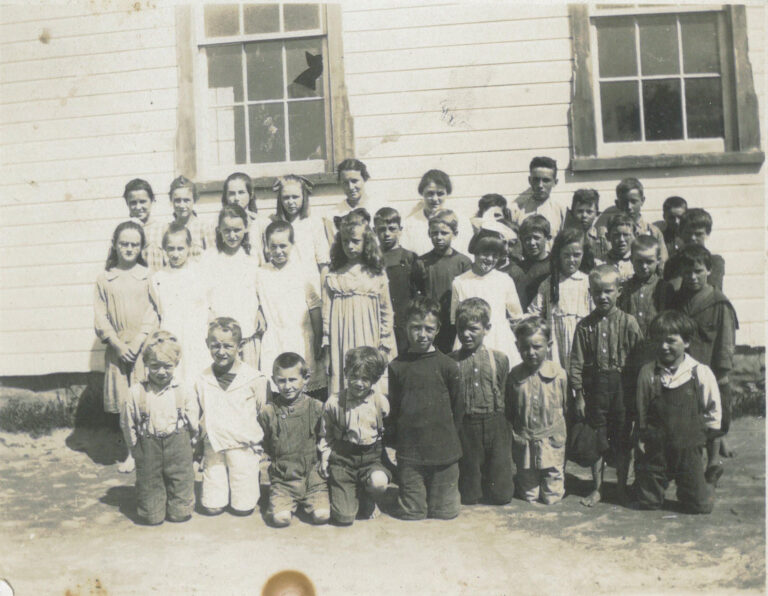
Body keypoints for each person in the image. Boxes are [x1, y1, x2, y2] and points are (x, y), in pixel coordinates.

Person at [570, 265, 643, 507]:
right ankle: (598, 488)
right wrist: (579, 396)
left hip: (622, 388)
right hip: (596, 389)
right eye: (597, 292)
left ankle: (621, 487)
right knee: (597, 438)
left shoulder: (629, 323)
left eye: (608, 291)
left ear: (619, 291)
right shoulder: (584, 326)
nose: (602, 296)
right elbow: (576, 363)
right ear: (590, 293)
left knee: (622, 438)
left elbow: (640, 360)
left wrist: (636, 396)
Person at [634, 311, 720, 514]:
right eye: (659, 340)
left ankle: (702, 483)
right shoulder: (649, 372)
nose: (664, 346)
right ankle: (654, 482)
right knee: (648, 502)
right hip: (657, 449)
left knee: (700, 506)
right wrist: (642, 438)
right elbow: (642, 410)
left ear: (687, 342)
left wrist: (709, 452)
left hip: (688, 450)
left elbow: (713, 414)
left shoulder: (699, 372)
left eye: (671, 341)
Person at [387, 297, 464, 520]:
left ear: (438, 329)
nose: (422, 335)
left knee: (445, 513)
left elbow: (458, 409)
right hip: (411, 453)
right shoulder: (397, 366)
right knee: (413, 513)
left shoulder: (448, 365)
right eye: (415, 328)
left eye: (429, 329)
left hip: (444, 453)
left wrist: (451, 444)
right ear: (404, 327)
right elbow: (394, 408)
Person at [94, 220, 159, 473]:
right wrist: (119, 345)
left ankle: (148, 449)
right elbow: (100, 317)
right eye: (124, 243)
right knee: (124, 404)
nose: (129, 248)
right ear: (115, 245)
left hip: (142, 349)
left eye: (134, 244)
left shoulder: (147, 276)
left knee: (144, 400)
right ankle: (131, 453)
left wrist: (139, 340)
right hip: (118, 350)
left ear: (142, 246)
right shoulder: (105, 279)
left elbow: (154, 311)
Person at [670, 244, 738, 476]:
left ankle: (713, 461)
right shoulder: (679, 300)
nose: (692, 277)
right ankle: (692, 462)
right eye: (687, 272)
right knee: (691, 416)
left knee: (714, 415)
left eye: (698, 271)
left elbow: (726, 342)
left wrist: (722, 373)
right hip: (685, 371)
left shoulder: (719, 303)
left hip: (712, 370)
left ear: (709, 270)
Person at [121, 331, 197, 525]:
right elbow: (127, 424)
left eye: (167, 366)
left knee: (181, 512)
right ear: (146, 364)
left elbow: (193, 422)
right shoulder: (136, 392)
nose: (161, 372)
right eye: (155, 366)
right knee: (151, 516)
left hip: (178, 446)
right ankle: (153, 504)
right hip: (149, 448)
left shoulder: (183, 390)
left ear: (176, 365)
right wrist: (135, 450)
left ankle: (178, 504)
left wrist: (193, 446)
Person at [195, 318, 269, 517]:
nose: (221, 351)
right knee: (212, 507)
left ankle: (245, 487)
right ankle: (218, 492)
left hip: (243, 446)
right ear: (207, 345)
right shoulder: (202, 378)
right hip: (214, 445)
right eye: (215, 346)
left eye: (228, 346)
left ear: (240, 346)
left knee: (243, 508)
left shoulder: (254, 378)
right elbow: (200, 413)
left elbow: (262, 412)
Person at [322, 212, 396, 396]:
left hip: (370, 337)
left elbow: (387, 311)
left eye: (355, 241)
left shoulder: (376, 275)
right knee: (345, 381)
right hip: (342, 340)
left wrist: (384, 345)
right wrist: (328, 349)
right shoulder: (334, 276)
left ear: (366, 242)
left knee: (370, 378)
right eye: (345, 241)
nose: (350, 246)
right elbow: (326, 315)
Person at [449, 298, 512, 505]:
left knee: (502, 496)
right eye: (461, 328)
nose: (465, 334)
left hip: (495, 424)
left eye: (473, 329)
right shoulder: (451, 361)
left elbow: (502, 393)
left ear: (487, 328)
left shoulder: (499, 359)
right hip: (467, 427)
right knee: (469, 496)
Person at [320, 347, 391, 525]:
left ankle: (369, 499)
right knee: (344, 517)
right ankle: (344, 491)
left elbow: (386, 427)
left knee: (379, 481)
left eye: (365, 379)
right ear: (345, 373)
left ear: (374, 379)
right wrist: (325, 457)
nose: (359, 383)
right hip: (344, 459)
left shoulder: (380, 402)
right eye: (354, 376)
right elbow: (326, 434)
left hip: (371, 458)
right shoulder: (334, 402)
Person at [259, 352, 330, 527]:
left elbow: (326, 439)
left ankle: (310, 501)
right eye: (282, 381)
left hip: (312, 478)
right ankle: (284, 503)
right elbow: (265, 443)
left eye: (292, 380)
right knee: (281, 519)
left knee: (322, 516)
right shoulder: (269, 411)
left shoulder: (317, 407)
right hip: (284, 479)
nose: (287, 386)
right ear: (274, 380)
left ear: (305, 379)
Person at [256, 220, 325, 394]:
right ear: (267, 247)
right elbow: (256, 300)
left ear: (292, 245)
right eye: (273, 246)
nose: (278, 251)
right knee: (278, 389)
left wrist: (318, 338)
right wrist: (258, 312)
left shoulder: (303, 272)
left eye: (283, 246)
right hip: (275, 338)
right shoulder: (261, 273)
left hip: (301, 338)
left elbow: (314, 308)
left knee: (304, 387)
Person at [507, 317, 568, 505]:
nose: (531, 352)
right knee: (529, 496)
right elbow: (510, 408)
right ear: (517, 346)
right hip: (525, 441)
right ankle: (529, 480)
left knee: (552, 497)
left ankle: (551, 481)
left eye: (537, 347)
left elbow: (566, 406)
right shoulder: (515, 376)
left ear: (548, 345)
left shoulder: (559, 374)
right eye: (525, 347)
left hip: (551, 440)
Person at [199, 204, 263, 368]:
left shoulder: (252, 256)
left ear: (246, 228)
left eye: (237, 230)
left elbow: (261, 288)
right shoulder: (209, 257)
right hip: (220, 332)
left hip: (247, 330)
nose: (232, 235)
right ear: (219, 230)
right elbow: (202, 294)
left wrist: (261, 311)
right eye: (227, 230)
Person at [450, 229, 523, 367]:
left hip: (500, 339)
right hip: (469, 338)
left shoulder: (505, 280)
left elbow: (516, 315)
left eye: (495, 255)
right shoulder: (460, 282)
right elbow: (455, 318)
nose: (489, 259)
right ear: (475, 253)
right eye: (485, 254)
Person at [151, 226, 210, 385]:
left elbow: (208, 306)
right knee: (176, 378)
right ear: (164, 249)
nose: (175, 254)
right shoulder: (159, 278)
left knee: (198, 377)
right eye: (171, 249)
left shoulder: (199, 274)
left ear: (189, 248)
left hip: (196, 336)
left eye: (180, 248)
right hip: (172, 336)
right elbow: (158, 310)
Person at [527, 228, 593, 371]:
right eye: (566, 255)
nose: (571, 260)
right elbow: (534, 313)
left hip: (582, 343)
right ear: (558, 256)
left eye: (576, 255)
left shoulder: (588, 282)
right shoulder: (549, 284)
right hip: (556, 343)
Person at [410, 209, 472, 353]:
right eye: (434, 233)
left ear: (454, 234)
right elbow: (416, 292)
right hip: (430, 320)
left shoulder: (463, 262)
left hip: (454, 321)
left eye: (444, 233)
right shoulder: (422, 262)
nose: (438, 237)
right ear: (429, 234)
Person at [263, 175, 330, 278]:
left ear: (303, 196)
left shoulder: (314, 223)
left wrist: (324, 292)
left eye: (295, 197)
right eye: (286, 197)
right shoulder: (272, 223)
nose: (291, 202)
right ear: (280, 199)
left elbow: (323, 263)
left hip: (308, 283)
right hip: (282, 281)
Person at [374, 207, 418, 355]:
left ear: (400, 229)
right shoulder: (371, 259)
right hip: (379, 322)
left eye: (392, 229)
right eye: (381, 229)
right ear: (374, 231)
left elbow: (417, 294)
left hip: (404, 322)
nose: (386, 234)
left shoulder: (410, 258)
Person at [596, 177, 668, 266]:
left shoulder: (653, 232)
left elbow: (662, 262)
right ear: (617, 203)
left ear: (642, 201)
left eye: (634, 201)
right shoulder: (608, 232)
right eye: (624, 202)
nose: (629, 207)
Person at [401, 169, 473, 255]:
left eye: (440, 194)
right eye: (430, 193)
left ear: (447, 193)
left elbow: (468, 256)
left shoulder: (462, 222)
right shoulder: (409, 225)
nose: (435, 199)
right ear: (422, 193)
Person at [618, 235, 674, 340]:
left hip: (656, 344)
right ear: (631, 259)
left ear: (658, 260)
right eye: (639, 261)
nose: (644, 266)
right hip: (628, 344)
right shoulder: (624, 288)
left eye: (649, 262)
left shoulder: (664, 288)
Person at [664, 208, 725, 292]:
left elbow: (712, 294)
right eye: (688, 233)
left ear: (707, 233)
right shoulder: (672, 262)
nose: (693, 238)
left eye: (698, 234)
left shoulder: (714, 261)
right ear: (680, 232)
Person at [323, 159, 381, 247]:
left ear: (364, 179)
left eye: (354, 181)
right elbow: (334, 248)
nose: (350, 187)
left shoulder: (379, 208)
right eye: (345, 182)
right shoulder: (332, 215)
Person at [510, 156, 566, 240]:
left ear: (555, 182)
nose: (540, 185)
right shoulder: (516, 210)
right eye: (536, 180)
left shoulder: (562, 211)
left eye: (546, 180)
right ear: (530, 180)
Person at [505, 214, 552, 311]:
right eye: (527, 239)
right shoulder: (517, 269)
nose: (531, 243)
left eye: (536, 237)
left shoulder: (554, 265)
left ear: (547, 238)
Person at [121, 178, 165, 271]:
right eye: (133, 203)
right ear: (127, 204)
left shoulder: (163, 229)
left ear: (152, 200)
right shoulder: (122, 232)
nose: (138, 207)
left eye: (142, 202)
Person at [167, 176, 216, 259]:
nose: (182, 205)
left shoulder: (204, 227)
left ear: (194, 199)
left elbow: (212, 257)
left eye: (186, 200)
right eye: (177, 200)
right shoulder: (168, 229)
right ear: (171, 201)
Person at [220, 172, 263, 264]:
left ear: (251, 194)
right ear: (225, 196)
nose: (236, 198)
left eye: (241, 192)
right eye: (232, 193)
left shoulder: (260, 223)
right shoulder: (218, 223)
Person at [564, 188, 608, 262]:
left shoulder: (601, 238)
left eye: (589, 212)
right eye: (580, 211)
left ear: (596, 214)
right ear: (572, 213)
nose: (584, 215)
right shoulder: (566, 238)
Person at [604, 213, 636, 284]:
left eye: (626, 235)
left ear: (634, 236)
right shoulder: (602, 262)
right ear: (608, 236)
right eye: (616, 235)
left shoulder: (638, 262)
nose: (621, 239)